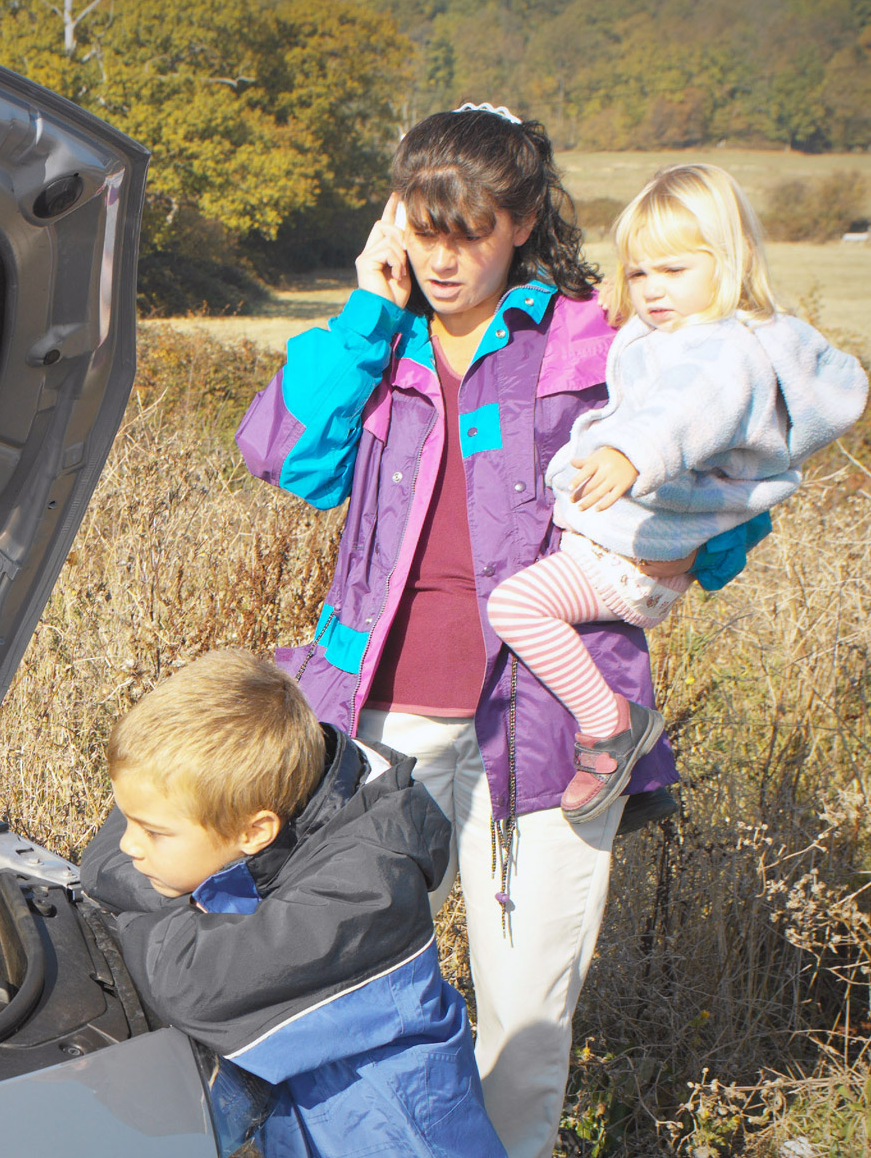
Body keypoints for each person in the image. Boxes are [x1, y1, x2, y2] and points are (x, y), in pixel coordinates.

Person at [232, 104, 766, 1157]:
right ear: (396, 220)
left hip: (548, 726)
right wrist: (365, 308)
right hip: (377, 720)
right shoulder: (377, 336)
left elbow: (733, 442)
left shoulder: (591, 336)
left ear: (521, 220)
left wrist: (691, 553)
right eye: (424, 228)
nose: (443, 256)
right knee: (340, 979)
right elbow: (286, 457)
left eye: (468, 229)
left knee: (524, 1015)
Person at [487, 164, 867, 823]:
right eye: (639, 273)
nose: (652, 291)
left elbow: (682, 410)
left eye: (672, 272)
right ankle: (638, 785)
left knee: (515, 607)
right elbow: (655, 357)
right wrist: (621, 302)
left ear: (729, 262)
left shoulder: (721, 351)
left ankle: (612, 729)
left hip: (625, 565)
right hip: (637, 558)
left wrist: (631, 453)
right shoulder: (689, 329)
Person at [81, 648, 504, 1157]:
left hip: (396, 1138)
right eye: (130, 820)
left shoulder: (364, 893)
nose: (129, 844)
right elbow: (103, 863)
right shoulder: (263, 801)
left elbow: (191, 982)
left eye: (151, 831)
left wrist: (137, 923)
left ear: (255, 830)